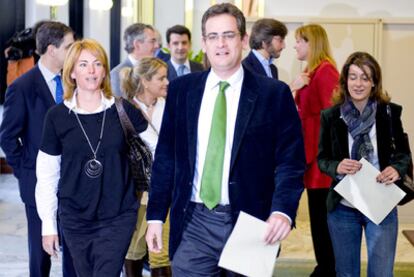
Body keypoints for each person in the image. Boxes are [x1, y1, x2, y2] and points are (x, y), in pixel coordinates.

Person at [145, 3, 305, 276]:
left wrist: (282, 211)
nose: (221, 44)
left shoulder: (273, 94)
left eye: (229, 35)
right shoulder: (183, 91)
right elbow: (166, 157)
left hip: (251, 223)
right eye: (213, 36)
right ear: (204, 43)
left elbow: (291, 162)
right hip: (195, 221)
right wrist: (156, 216)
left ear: (243, 39)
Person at [35, 39, 148, 277]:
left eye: (97, 64)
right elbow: (47, 175)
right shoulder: (57, 117)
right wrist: (48, 226)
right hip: (75, 218)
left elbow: (157, 147)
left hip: (118, 215)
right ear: (72, 72)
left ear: (105, 70)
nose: (92, 70)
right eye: (83, 64)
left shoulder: (122, 110)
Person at [318, 51, 411, 277]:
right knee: (346, 273)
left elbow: (403, 154)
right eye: (353, 77)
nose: (358, 83)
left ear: (374, 83)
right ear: (345, 81)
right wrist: (336, 167)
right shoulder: (330, 116)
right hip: (343, 208)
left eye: (365, 77)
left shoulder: (390, 113)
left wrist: (397, 169)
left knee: (381, 273)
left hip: (381, 203)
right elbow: (322, 159)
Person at [0, 21, 77, 277]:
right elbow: (8, 137)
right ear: (52, 49)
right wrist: (26, 171)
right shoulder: (21, 88)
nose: (74, 50)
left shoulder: (74, 82)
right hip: (37, 183)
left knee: (74, 250)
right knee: (41, 253)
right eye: (69, 45)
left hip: (75, 182)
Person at [290, 24, 338, 277]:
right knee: (319, 220)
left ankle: (327, 269)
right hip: (313, 161)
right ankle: (326, 267)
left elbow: (334, 118)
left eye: (299, 41)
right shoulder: (313, 71)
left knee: (323, 222)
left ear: (312, 43)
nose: (295, 45)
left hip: (322, 164)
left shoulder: (325, 71)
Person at [120, 57, 171, 277]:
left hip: (164, 188)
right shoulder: (124, 110)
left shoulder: (169, 107)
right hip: (135, 190)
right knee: (133, 250)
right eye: (161, 78)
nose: (167, 82)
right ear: (145, 81)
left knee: (161, 251)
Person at [110, 23, 157, 97]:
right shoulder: (117, 74)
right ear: (137, 44)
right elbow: (119, 106)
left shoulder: (155, 70)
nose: (156, 46)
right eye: (152, 41)